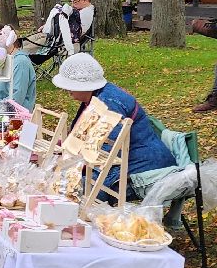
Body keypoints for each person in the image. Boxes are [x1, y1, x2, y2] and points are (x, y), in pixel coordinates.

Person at [52, 52, 176, 196]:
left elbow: (105, 152)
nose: (66, 90)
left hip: (144, 167)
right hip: (128, 160)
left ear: (83, 85)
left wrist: (73, 168)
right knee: (60, 179)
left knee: (77, 190)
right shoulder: (96, 97)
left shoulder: (110, 103)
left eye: (69, 86)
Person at [21, 0, 96, 65]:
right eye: (72, 2)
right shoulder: (80, 11)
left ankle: (18, 56)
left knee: (28, 46)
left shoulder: (86, 13)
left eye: (75, 2)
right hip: (53, 37)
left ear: (84, 0)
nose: (73, 5)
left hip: (60, 42)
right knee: (30, 40)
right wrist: (48, 26)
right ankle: (17, 51)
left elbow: (74, 31)